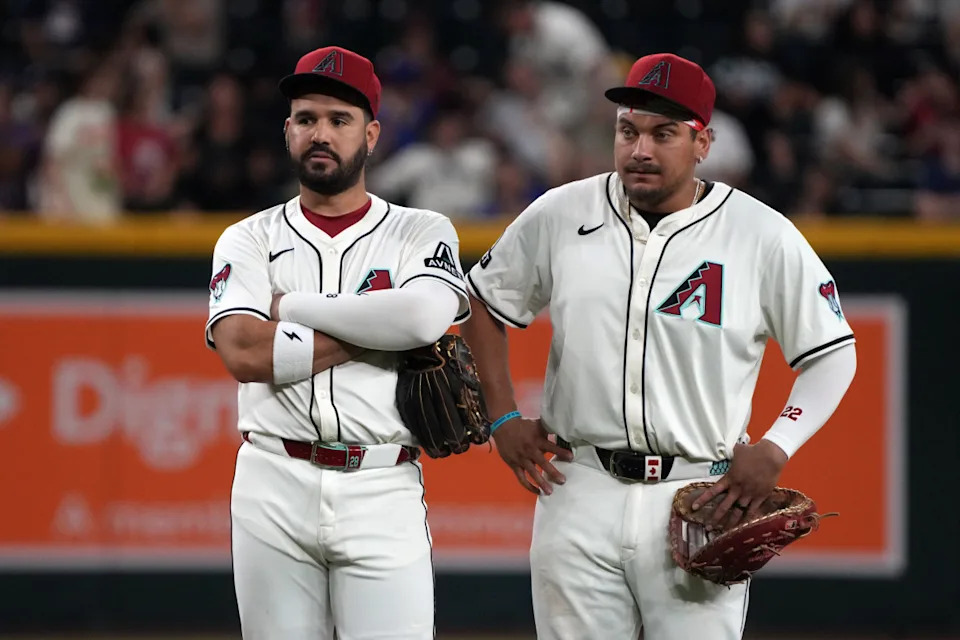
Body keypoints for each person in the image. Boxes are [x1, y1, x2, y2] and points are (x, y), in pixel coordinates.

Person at [460, 52, 858, 640]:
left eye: (663, 133)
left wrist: (779, 444)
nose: (640, 149)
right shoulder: (563, 212)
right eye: (629, 130)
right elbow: (482, 306)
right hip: (579, 488)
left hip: (698, 497)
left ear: (703, 143)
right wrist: (501, 417)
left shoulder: (760, 234)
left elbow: (832, 353)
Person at [205, 45, 470, 640]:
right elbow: (245, 353)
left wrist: (292, 309)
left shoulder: (419, 230)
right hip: (273, 479)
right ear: (287, 130)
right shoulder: (247, 239)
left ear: (372, 134)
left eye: (339, 120)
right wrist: (380, 331)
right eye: (306, 119)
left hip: (382, 484)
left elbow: (424, 321)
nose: (319, 134)